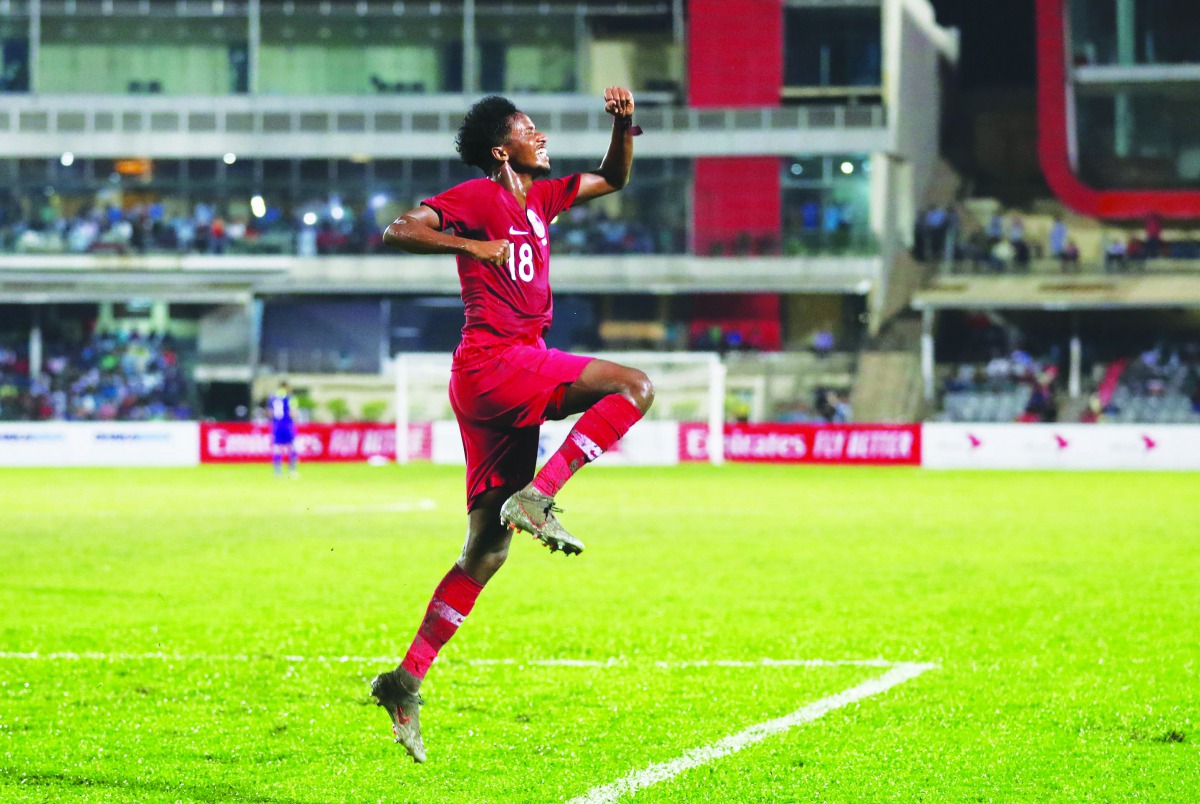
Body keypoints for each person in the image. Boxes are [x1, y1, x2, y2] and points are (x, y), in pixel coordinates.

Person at [371, 87, 653, 763]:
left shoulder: (544, 197)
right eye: (530, 129)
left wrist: (622, 126)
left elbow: (613, 177)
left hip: (500, 373)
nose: (542, 135)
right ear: (504, 149)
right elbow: (399, 230)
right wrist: (472, 248)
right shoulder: (476, 196)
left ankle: (404, 678)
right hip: (498, 361)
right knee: (634, 388)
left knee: (487, 549)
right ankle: (541, 494)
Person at [269, 380, 298, 478]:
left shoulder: (273, 397)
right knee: (292, 447)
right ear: (286, 387)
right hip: (287, 425)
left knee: (277, 448)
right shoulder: (290, 398)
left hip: (276, 425)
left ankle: (277, 472)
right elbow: (292, 413)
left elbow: (269, 412)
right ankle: (292, 471)